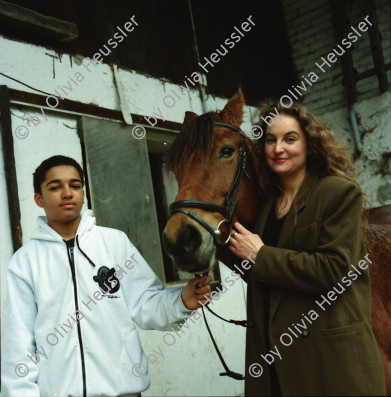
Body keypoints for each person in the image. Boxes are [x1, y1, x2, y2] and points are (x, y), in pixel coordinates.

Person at [2, 155, 212, 397]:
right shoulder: (26, 261)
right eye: (55, 187)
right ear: (39, 199)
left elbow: (145, 304)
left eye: (75, 185)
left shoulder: (114, 243)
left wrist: (182, 300)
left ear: (83, 192)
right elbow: (19, 343)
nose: (67, 193)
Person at [228, 101, 386, 396]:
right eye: (271, 140)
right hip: (276, 363)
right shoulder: (266, 208)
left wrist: (261, 255)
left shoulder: (338, 193)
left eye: (290, 139)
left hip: (329, 363)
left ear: (310, 145)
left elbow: (332, 271)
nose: (278, 149)